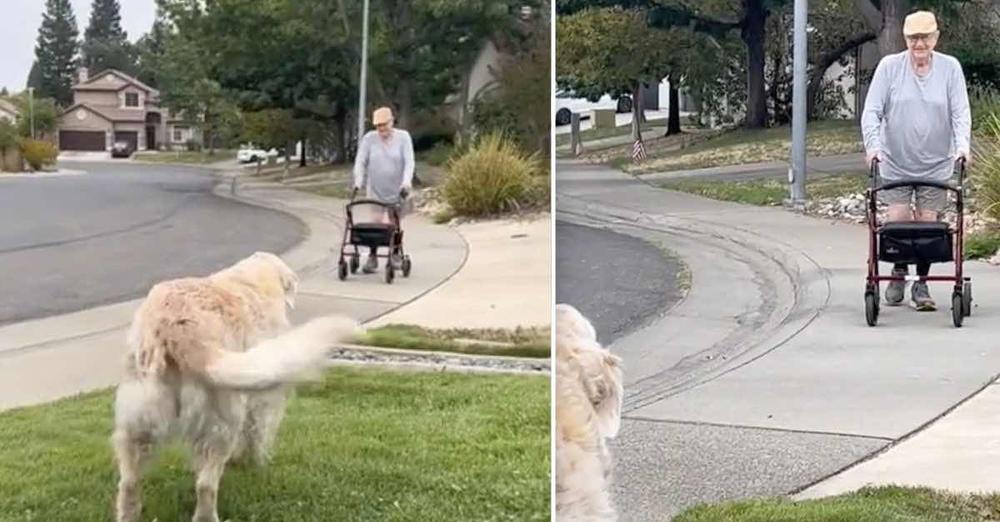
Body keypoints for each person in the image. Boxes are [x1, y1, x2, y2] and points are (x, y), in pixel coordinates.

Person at [861, 10, 971, 311]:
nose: (919, 44)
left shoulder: (950, 69)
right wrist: (873, 148)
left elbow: (960, 113)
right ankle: (898, 271)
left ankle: (921, 285)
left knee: (927, 227)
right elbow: (872, 111)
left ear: (935, 37)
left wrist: (963, 147)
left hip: (936, 162)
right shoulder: (889, 68)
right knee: (896, 222)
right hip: (895, 160)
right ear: (905, 39)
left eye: (924, 37)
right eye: (913, 38)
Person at [352, 106, 415, 274]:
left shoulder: (403, 138)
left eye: (384, 125)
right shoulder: (369, 139)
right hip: (376, 189)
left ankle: (394, 254)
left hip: (398, 189)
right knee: (376, 223)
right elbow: (361, 161)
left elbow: (409, 162)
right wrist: (358, 181)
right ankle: (372, 257)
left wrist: (406, 182)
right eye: (378, 126)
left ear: (391, 121)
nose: (381, 129)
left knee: (394, 224)